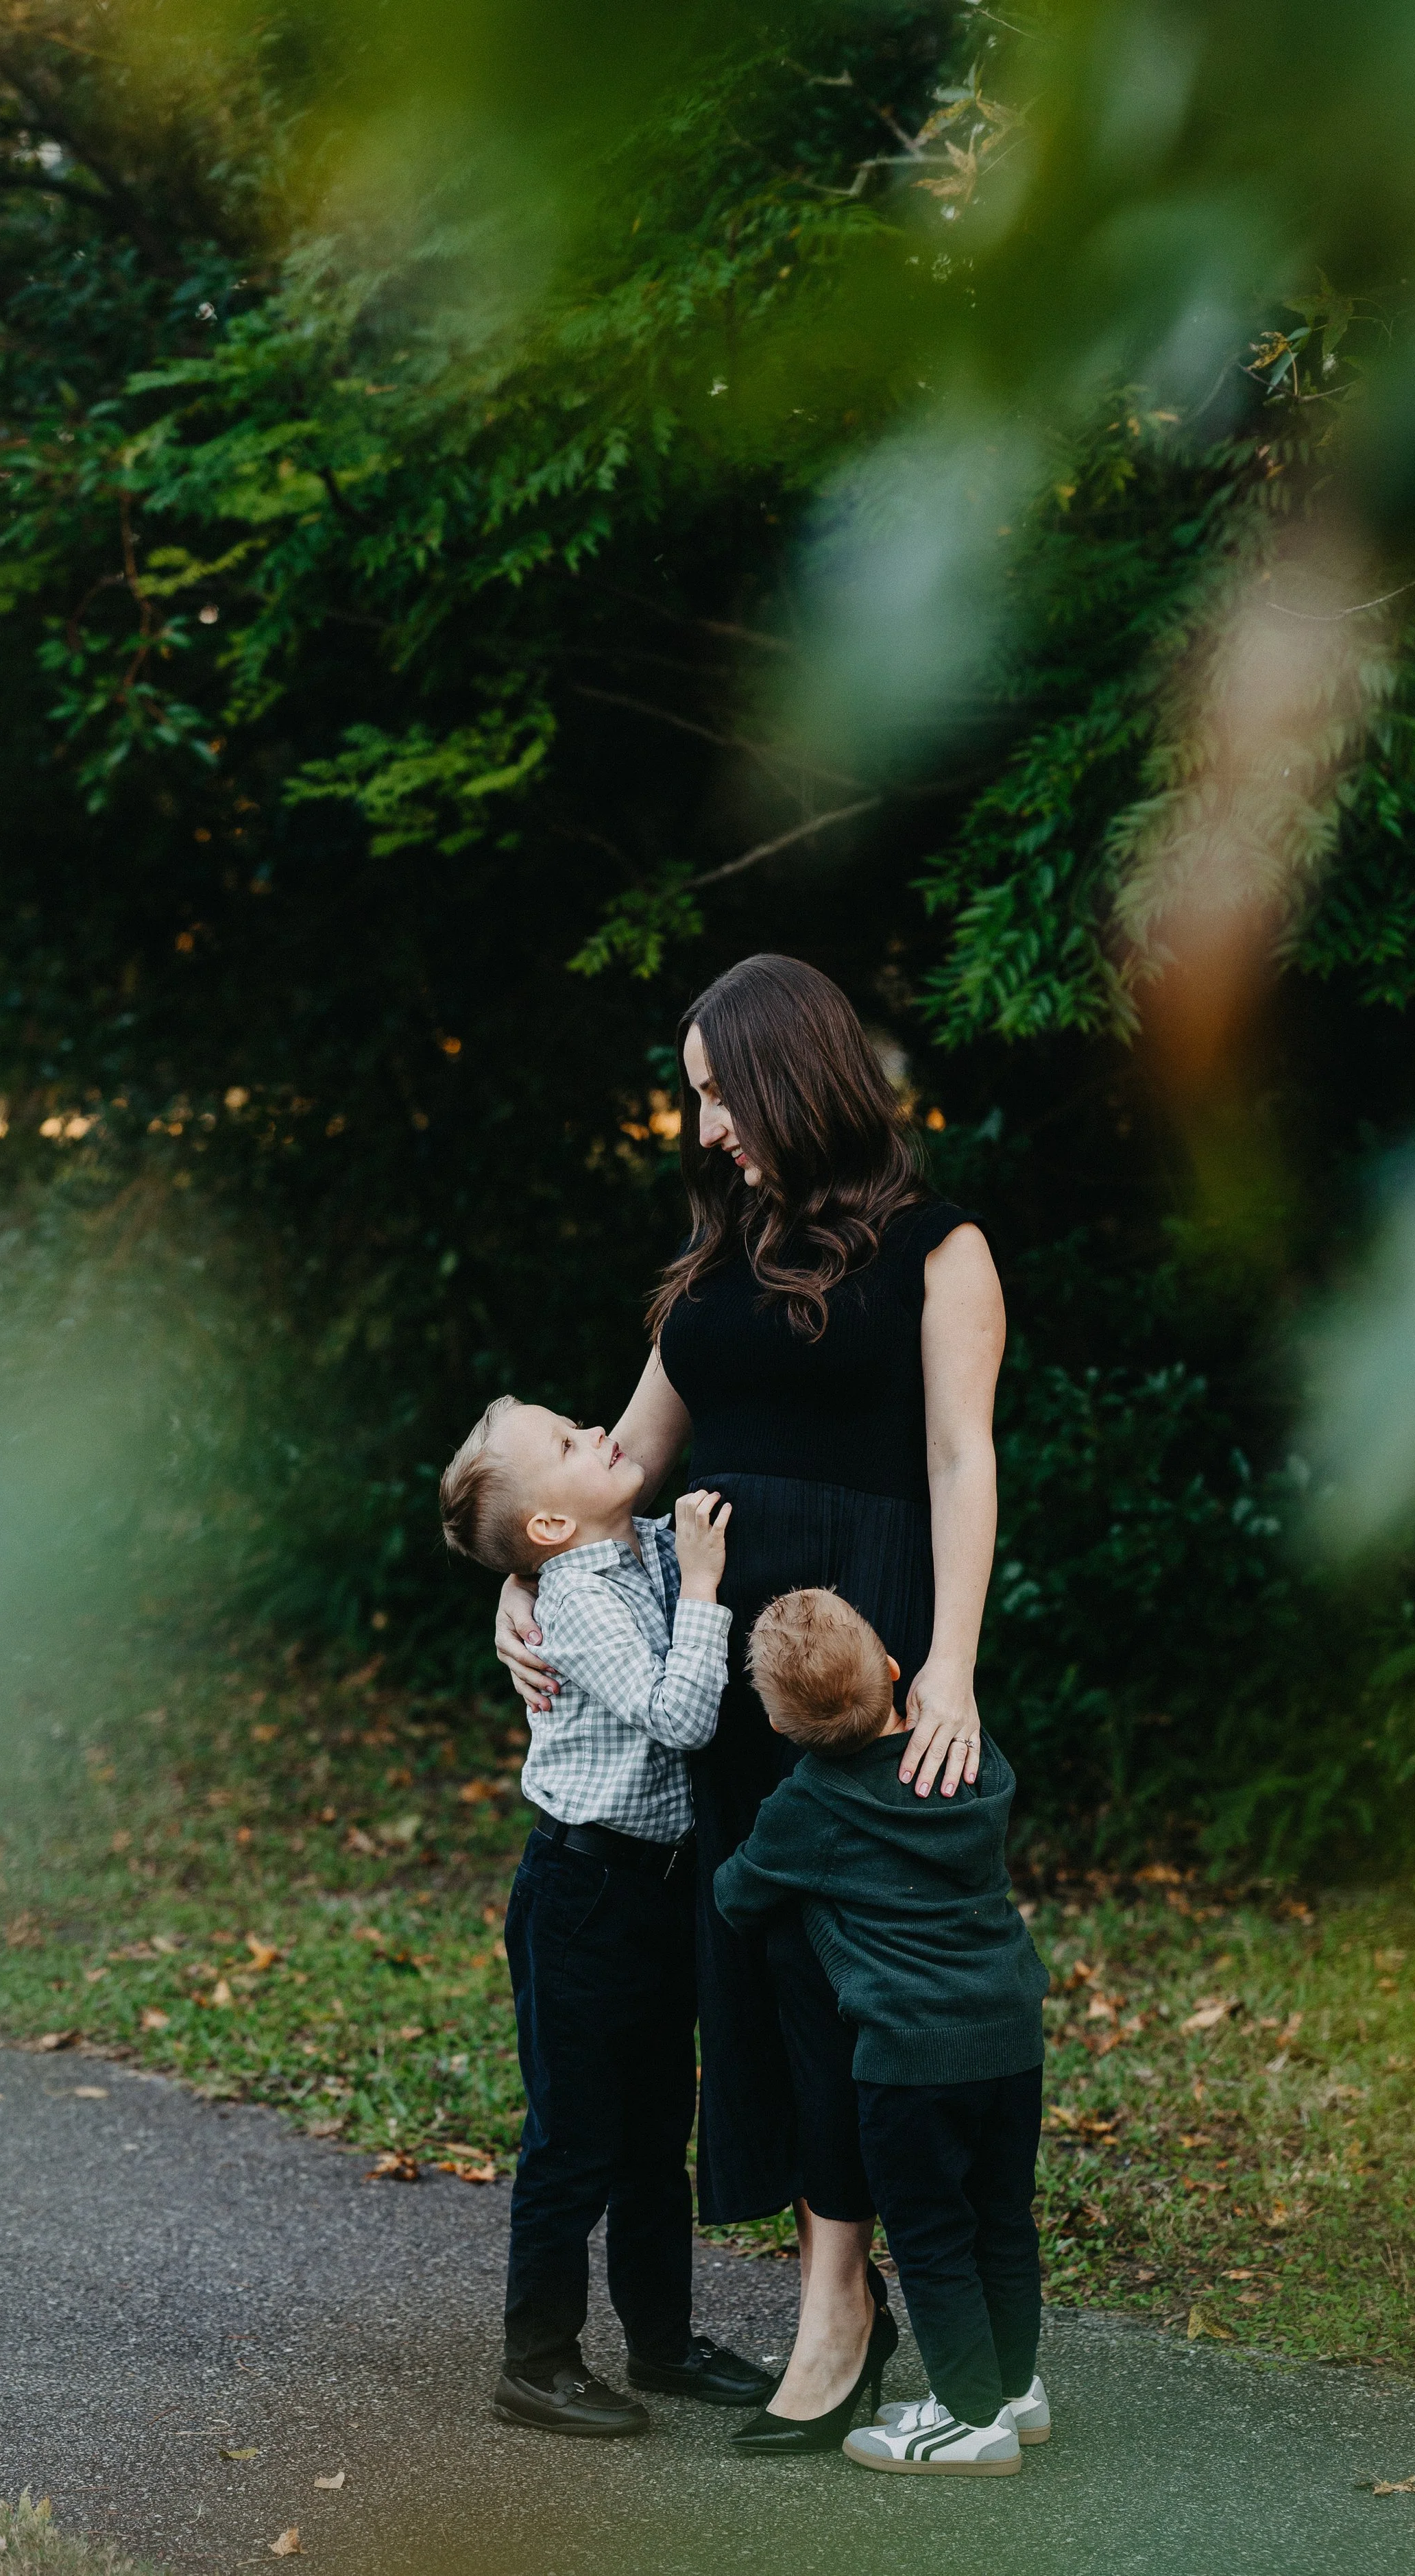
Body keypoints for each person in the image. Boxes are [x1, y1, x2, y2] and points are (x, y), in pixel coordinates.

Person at [496, 953, 1005, 2452]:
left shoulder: (940, 1247)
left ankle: (840, 2310)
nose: (707, 1127)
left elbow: (961, 1461)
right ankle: (833, 2297)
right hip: (717, 1675)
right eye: (699, 1100)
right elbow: (614, 1468)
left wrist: (952, 1665)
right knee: (760, 1985)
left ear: (793, 1071)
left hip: (861, 1665)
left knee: (848, 1984)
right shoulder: (719, 1263)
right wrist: (515, 1591)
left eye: (721, 1092)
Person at [439, 1396, 773, 2435]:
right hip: (582, 1896)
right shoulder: (579, 1598)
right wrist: (707, 1588)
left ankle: (661, 2342)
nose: (596, 1430)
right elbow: (680, 1717)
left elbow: (672, 1555)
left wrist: (680, 1563)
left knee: (655, 2134)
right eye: (568, 1441)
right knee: (576, 2137)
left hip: (658, 1891)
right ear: (550, 1524)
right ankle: (536, 2362)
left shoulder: (638, 1548)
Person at [715, 1587, 1050, 2476]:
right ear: (897, 1671)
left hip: (911, 2058)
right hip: (1011, 2034)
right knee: (1002, 2219)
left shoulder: (812, 1802)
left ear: (781, 1728)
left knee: (933, 2238)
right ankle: (1012, 2388)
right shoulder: (971, 1758)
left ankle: (969, 2420)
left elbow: (737, 1894)